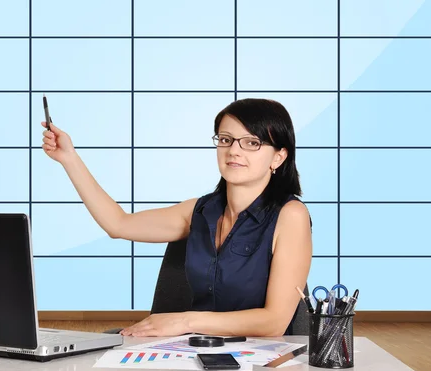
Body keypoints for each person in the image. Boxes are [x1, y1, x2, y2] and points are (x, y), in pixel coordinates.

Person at [40, 98, 312, 337]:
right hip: (196, 351)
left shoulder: (290, 216)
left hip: (263, 362)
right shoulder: (200, 211)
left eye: (252, 142)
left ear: (279, 157)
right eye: (226, 139)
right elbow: (118, 224)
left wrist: (185, 321)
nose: (234, 151)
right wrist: (69, 158)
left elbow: (274, 322)